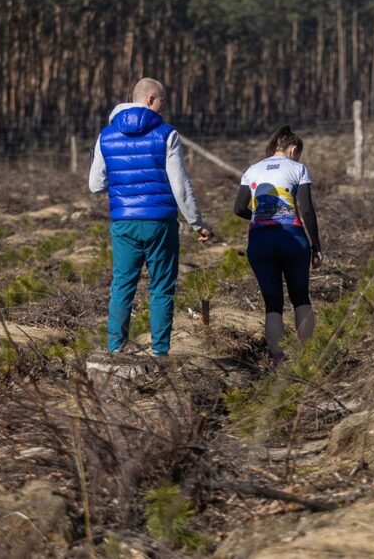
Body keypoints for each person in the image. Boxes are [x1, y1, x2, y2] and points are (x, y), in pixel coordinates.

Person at [88, 78, 212, 356]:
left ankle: (115, 350)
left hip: (124, 223)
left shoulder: (105, 136)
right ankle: (159, 352)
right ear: (151, 100)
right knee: (162, 288)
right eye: (163, 103)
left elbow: (95, 184)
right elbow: (180, 185)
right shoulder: (167, 134)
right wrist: (197, 223)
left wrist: (122, 186)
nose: (164, 109)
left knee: (122, 286)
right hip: (160, 223)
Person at [233, 126, 322, 366]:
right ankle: (306, 357)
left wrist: (261, 216)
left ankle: (277, 359)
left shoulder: (252, 170)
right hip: (291, 238)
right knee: (300, 297)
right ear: (293, 149)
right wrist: (316, 245)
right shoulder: (298, 168)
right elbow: (306, 209)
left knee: (272, 303)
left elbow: (239, 208)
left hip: (260, 241)